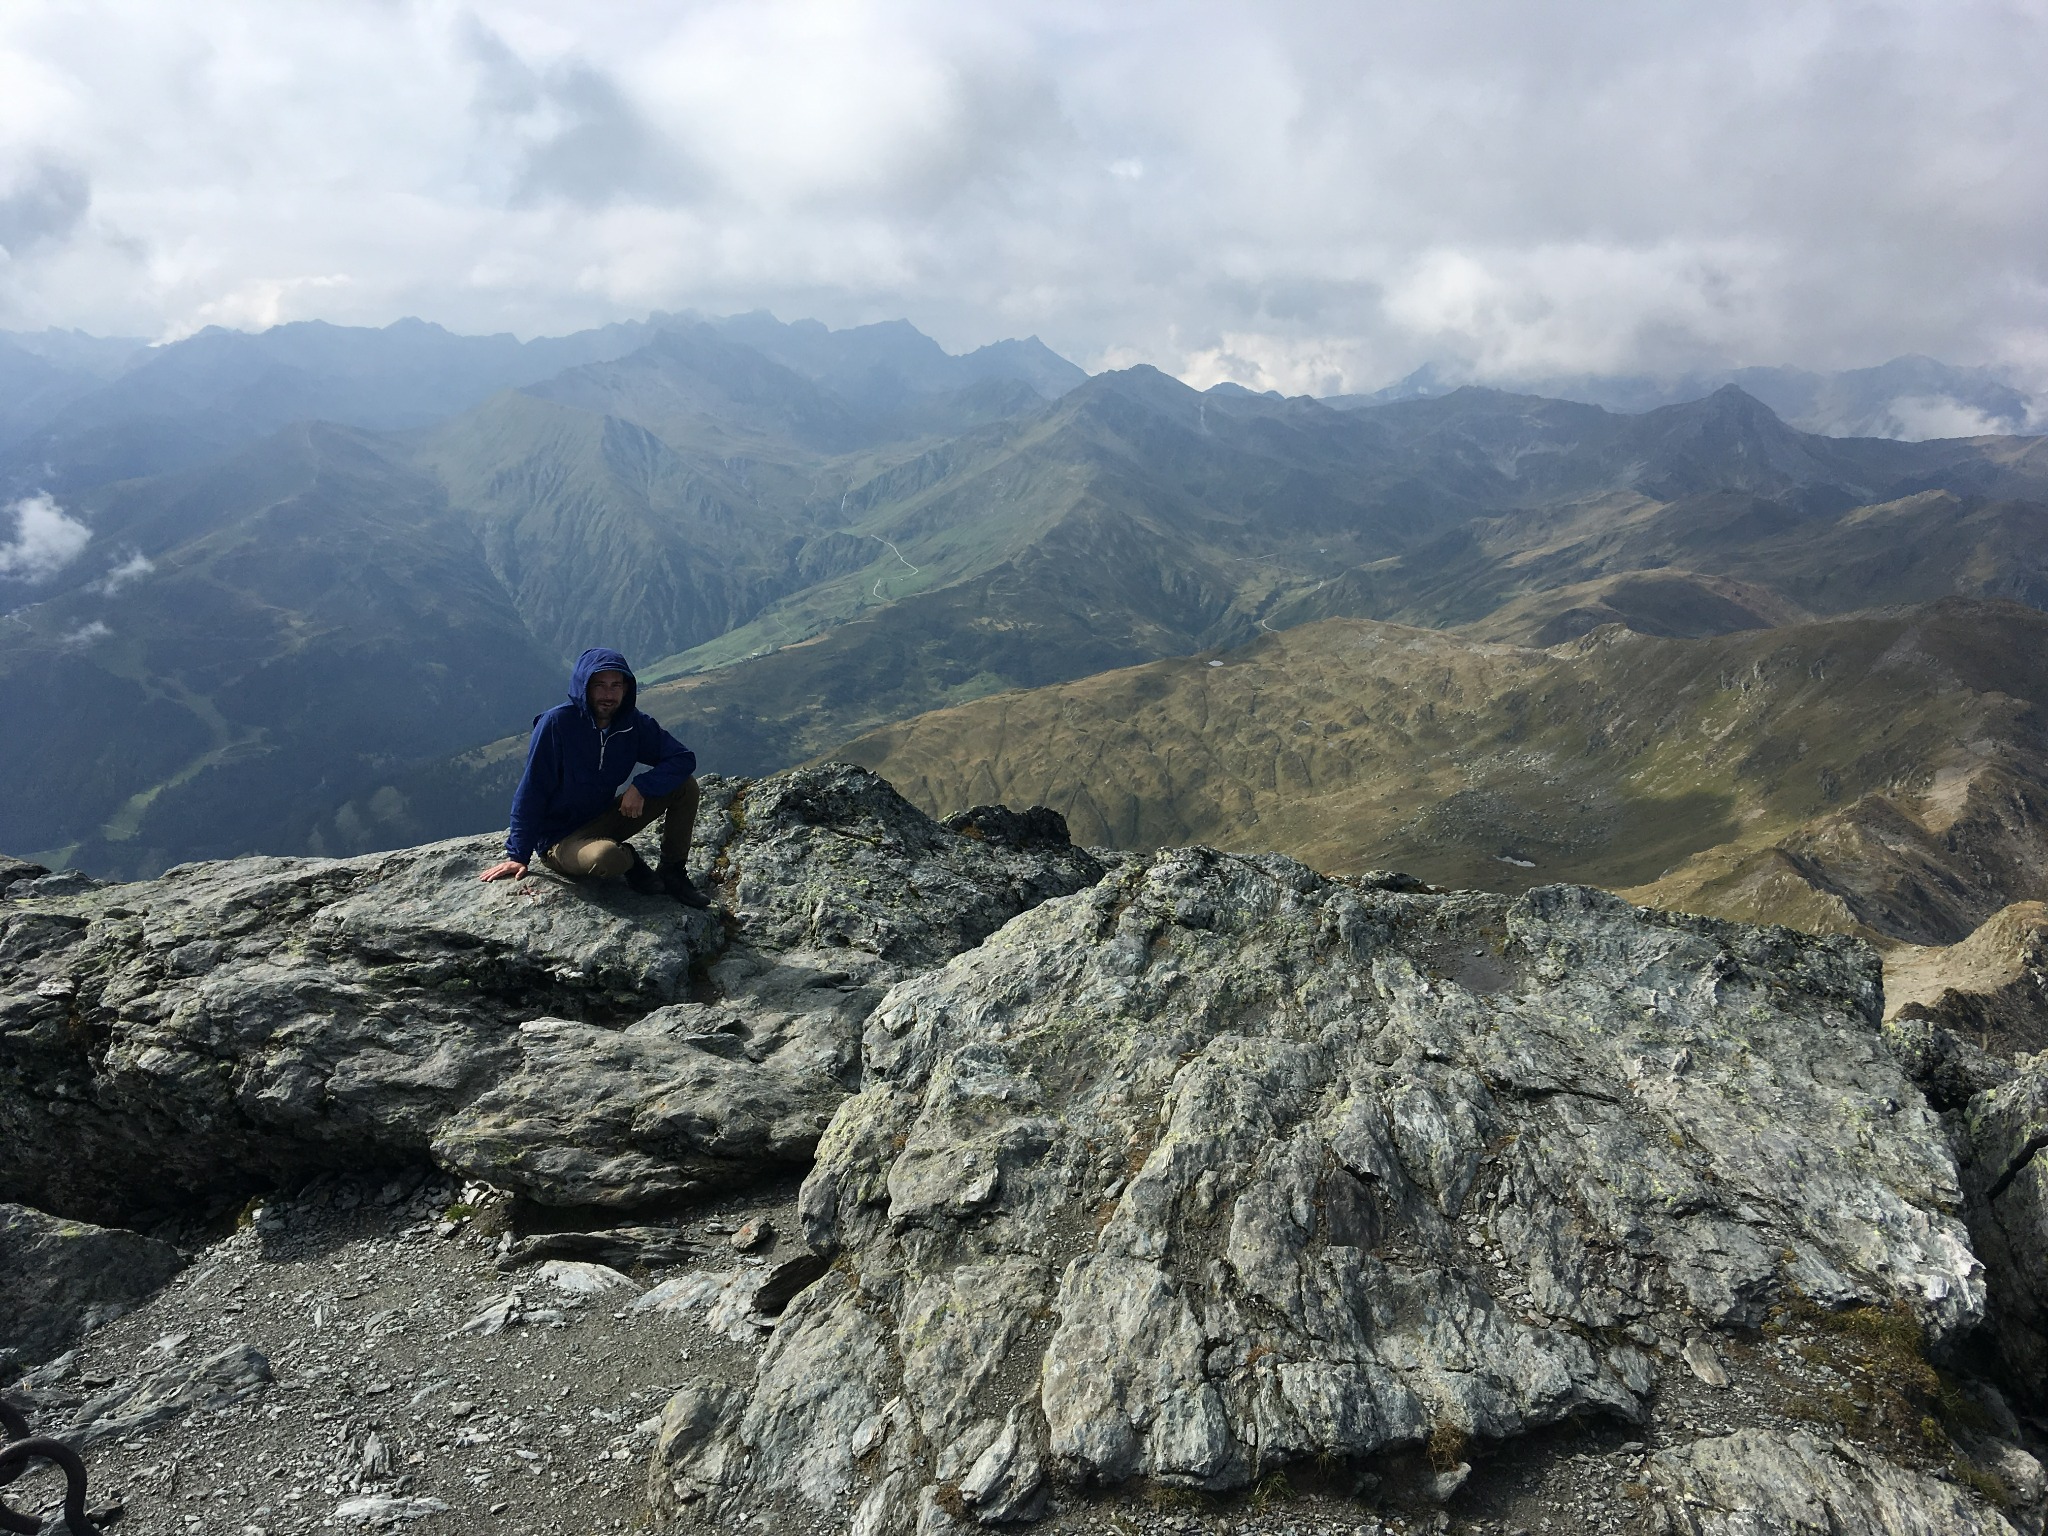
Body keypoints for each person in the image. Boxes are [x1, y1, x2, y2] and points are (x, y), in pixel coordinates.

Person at [479, 647, 711, 907]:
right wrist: (518, 854)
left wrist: (642, 787)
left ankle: (673, 872)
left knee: (685, 786)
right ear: (584, 687)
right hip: (561, 839)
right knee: (606, 857)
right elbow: (532, 790)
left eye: (616, 685)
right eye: (599, 685)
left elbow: (682, 758)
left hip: (604, 819)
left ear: (626, 688)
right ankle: (628, 859)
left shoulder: (631, 724)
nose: (608, 694)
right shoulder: (558, 724)